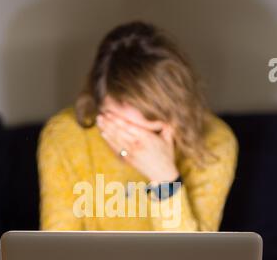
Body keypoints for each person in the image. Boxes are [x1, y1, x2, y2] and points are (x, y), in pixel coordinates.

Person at [37, 20, 238, 232]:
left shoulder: (214, 143)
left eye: (152, 132)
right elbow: (58, 250)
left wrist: (165, 180)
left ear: (176, 119)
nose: (130, 143)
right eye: (115, 124)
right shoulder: (65, 135)